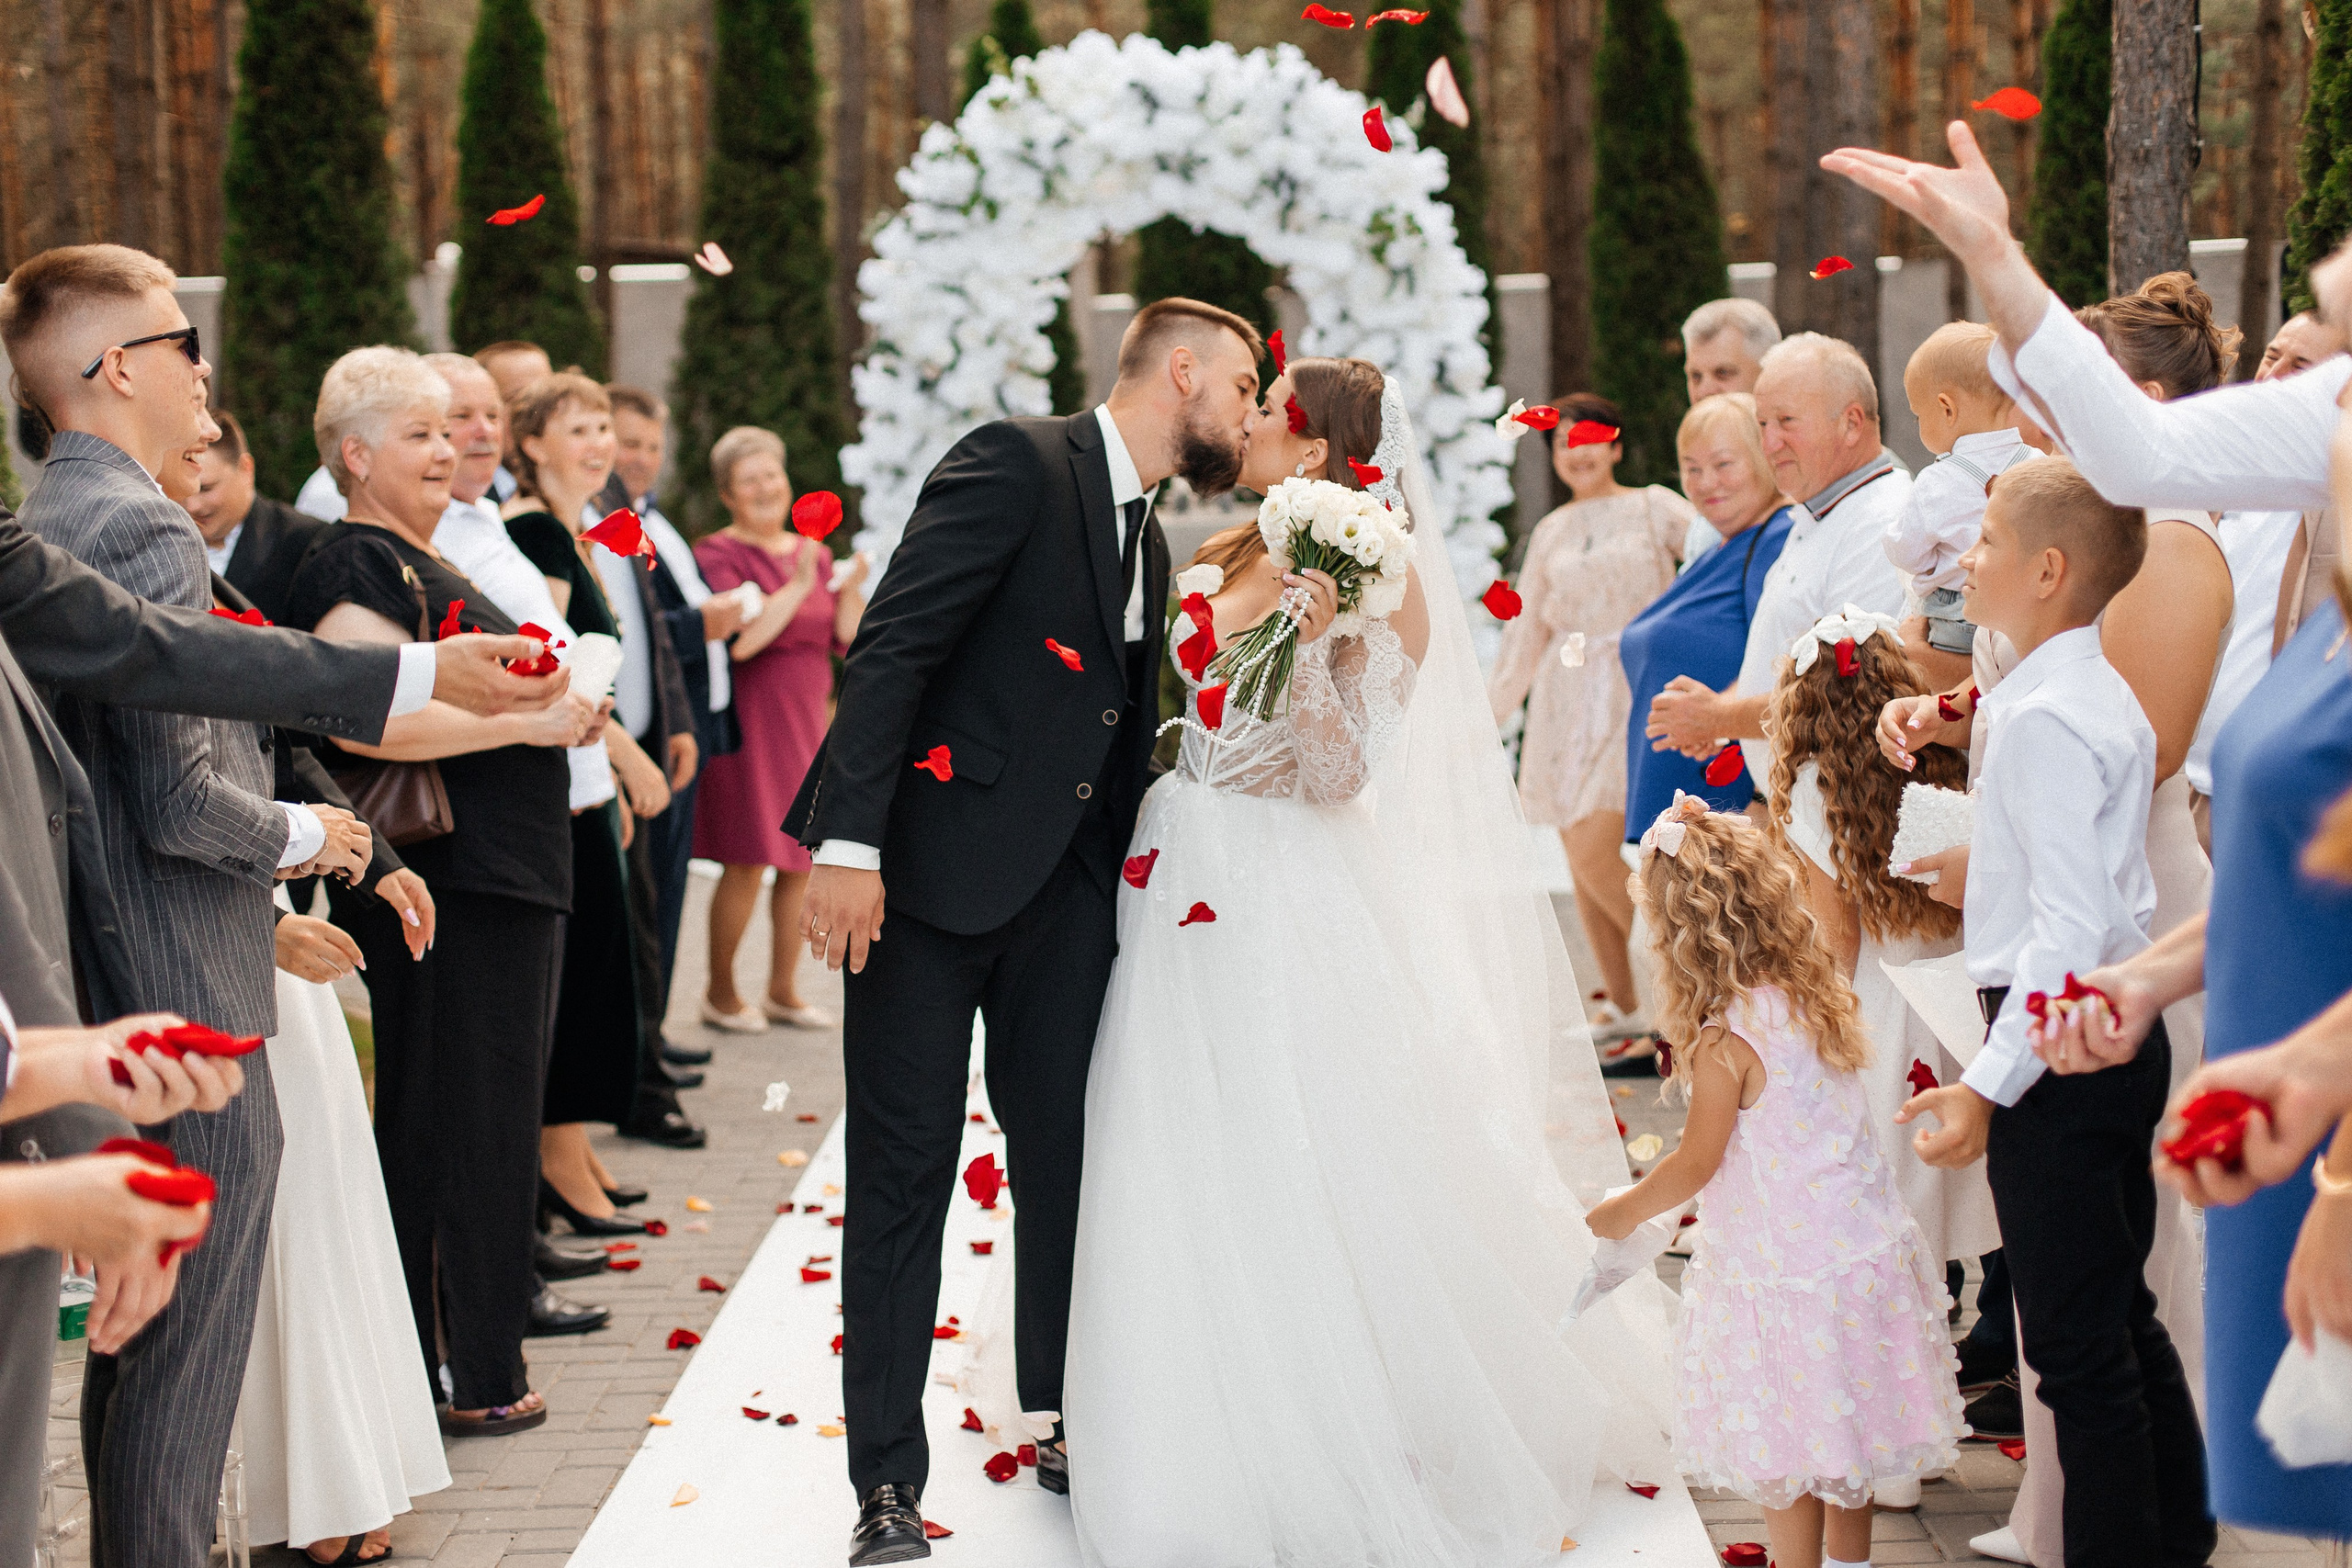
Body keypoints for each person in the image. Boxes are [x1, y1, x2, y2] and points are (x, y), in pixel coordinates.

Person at [1062, 355, 1674, 1568]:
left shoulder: (1382, 574)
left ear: (1317, 443)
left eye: (1268, 413)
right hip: (1179, 857)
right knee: (1174, 1124)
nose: (1243, 424)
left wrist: (1310, 637)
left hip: (1288, 879)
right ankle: (1171, 1383)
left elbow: (1344, 772)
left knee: (1302, 1135)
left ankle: (1332, 1411)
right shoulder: (1228, 544)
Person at [784, 298, 1260, 1560]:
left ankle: (1061, 1412)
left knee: (1069, 1165)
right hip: (925, 898)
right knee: (903, 1178)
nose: (1252, 417)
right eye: (1245, 388)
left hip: (1068, 909)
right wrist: (847, 843)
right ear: (1183, 369)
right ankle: (885, 1483)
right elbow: (894, 644)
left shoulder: (1151, 537)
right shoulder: (1014, 461)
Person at [17, 253, 393, 1568]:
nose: (204, 366)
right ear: (115, 366)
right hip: (183, 987)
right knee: (183, 1361)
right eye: (183, 340)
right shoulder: (139, 523)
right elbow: (179, 801)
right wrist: (306, 836)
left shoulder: (56, 509)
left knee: (138, 1344)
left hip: (116, 968)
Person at [1894, 457, 2214, 1568]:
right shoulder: (2076, 691)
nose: (1963, 560)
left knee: (2075, 1348)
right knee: (2118, 1313)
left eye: (1982, 542)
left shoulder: (2042, 716)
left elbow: (2069, 934)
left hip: (2058, 1046)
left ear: (2045, 569)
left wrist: (1986, 1089)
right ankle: (2178, 1533)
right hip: (2099, 1040)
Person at [284, 345, 602, 1439]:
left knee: (472, 1117)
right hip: (456, 878)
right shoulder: (356, 563)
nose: (448, 447)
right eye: (418, 433)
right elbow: (355, 712)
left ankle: (457, 1364)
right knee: (464, 1122)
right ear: (356, 454)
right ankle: (470, 1372)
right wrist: (529, 722)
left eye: (449, 428)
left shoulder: (410, 553)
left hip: (495, 874)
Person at [1590, 795, 1966, 1568]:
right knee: (1847, 1444)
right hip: (1858, 1256)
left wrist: (1622, 1210)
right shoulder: (1815, 993)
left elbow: (1696, 1162)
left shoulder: (1724, 1040)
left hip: (1782, 1274)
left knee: (1790, 1447)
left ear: (1679, 935)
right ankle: (1851, 1565)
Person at [501, 373, 695, 1224]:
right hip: (566, 774)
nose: (599, 446)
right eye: (576, 429)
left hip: (586, 777)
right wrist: (626, 759)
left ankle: (571, 1152)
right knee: (579, 978)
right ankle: (555, 1163)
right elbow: (552, 656)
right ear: (532, 441)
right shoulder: (537, 531)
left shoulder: (579, 530)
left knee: (597, 971)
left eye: (603, 430)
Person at [1761, 608, 1998, 1272]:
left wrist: (1809, 1028)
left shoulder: (1815, 784)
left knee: (1892, 1195)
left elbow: (1837, 938)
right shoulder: (1941, 752)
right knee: (1961, 1180)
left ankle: (1908, 1336)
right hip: (1955, 991)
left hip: (1881, 1004)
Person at [1487, 392, 1693, 1037]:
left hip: (1636, 688)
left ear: (1616, 445)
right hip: (1563, 696)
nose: (1577, 452)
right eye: (1562, 442)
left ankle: (1685, 975)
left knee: (1595, 843)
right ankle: (1626, 1006)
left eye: (1591, 437)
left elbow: (1719, 554)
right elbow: (1525, 638)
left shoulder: (1655, 506)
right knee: (1575, 855)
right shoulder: (1550, 531)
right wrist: (1484, 720)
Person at [1646, 333, 1911, 797]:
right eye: (1762, 423)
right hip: (1807, 817)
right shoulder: (1817, 514)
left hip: (1851, 818)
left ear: (1851, 423)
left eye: (1786, 421)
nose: (1769, 443)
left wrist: (1720, 716)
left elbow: (1852, 692)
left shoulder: (1882, 521)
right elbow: (1784, 662)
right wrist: (1720, 713)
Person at [694, 425, 867, 1032]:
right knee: (747, 858)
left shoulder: (815, 552)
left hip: (808, 720)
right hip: (750, 722)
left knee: (799, 859)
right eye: (750, 480)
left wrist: (852, 590)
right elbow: (742, 642)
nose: (766, 487)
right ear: (729, 494)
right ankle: (719, 992)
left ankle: (782, 990)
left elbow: (846, 639)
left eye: (772, 474)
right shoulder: (717, 554)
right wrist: (795, 587)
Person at [610, 384, 745, 1043]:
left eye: (653, 446)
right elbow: (639, 632)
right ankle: (642, 1043)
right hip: (644, 732)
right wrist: (703, 624)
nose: (642, 457)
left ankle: (651, 1034)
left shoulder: (655, 522)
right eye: (628, 442)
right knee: (647, 896)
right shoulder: (612, 528)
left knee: (667, 891)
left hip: (681, 722)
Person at [1618, 394, 1794, 826]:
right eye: (1692, 468)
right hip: (1687, 810)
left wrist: (1716, 716)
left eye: (1723, 464)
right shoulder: (1719, 549)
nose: (1705, 483)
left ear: (1761, 459)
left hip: (1730, 815)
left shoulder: (1775, 539)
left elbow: (1782, 656)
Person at [1884, 321, 2031, 675]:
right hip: (2023, 614)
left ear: (1947, 409)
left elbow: (1907, 552)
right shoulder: (2038, 465)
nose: (1919, 424)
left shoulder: (1938, 480)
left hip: (1957, 617)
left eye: (1919, 415)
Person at [187, 411, 330, 623]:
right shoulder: (165, 542)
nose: (192, 506)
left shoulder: (307, 543)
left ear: (246, 469)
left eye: (206, 489)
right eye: (185, 491)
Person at [1679, 299, 1785, 566]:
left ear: (1768, 373)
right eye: (1695, 376)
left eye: (1723, 373)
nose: (1704, 390)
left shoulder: (1817, 469)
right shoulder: (1704, 520)